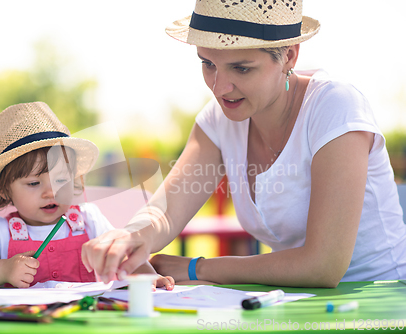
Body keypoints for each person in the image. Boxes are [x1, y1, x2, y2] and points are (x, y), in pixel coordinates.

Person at [81, 0, 406, 288]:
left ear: (289, 55)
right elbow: (164, 213)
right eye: (207, 63)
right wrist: (131, 237)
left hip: (382, 296)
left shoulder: (335, 106)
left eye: (241, 68)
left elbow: (322, 266)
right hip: (294, 300)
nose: (220, 87)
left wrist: (196, 267)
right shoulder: (218, 120)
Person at [0, 102, 174, 289]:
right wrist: (3, 269)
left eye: (61, 180)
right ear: (3, 188)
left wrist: (149, 277)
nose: (51, 192)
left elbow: (126, 256)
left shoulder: (88, 220)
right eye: (33, 183)